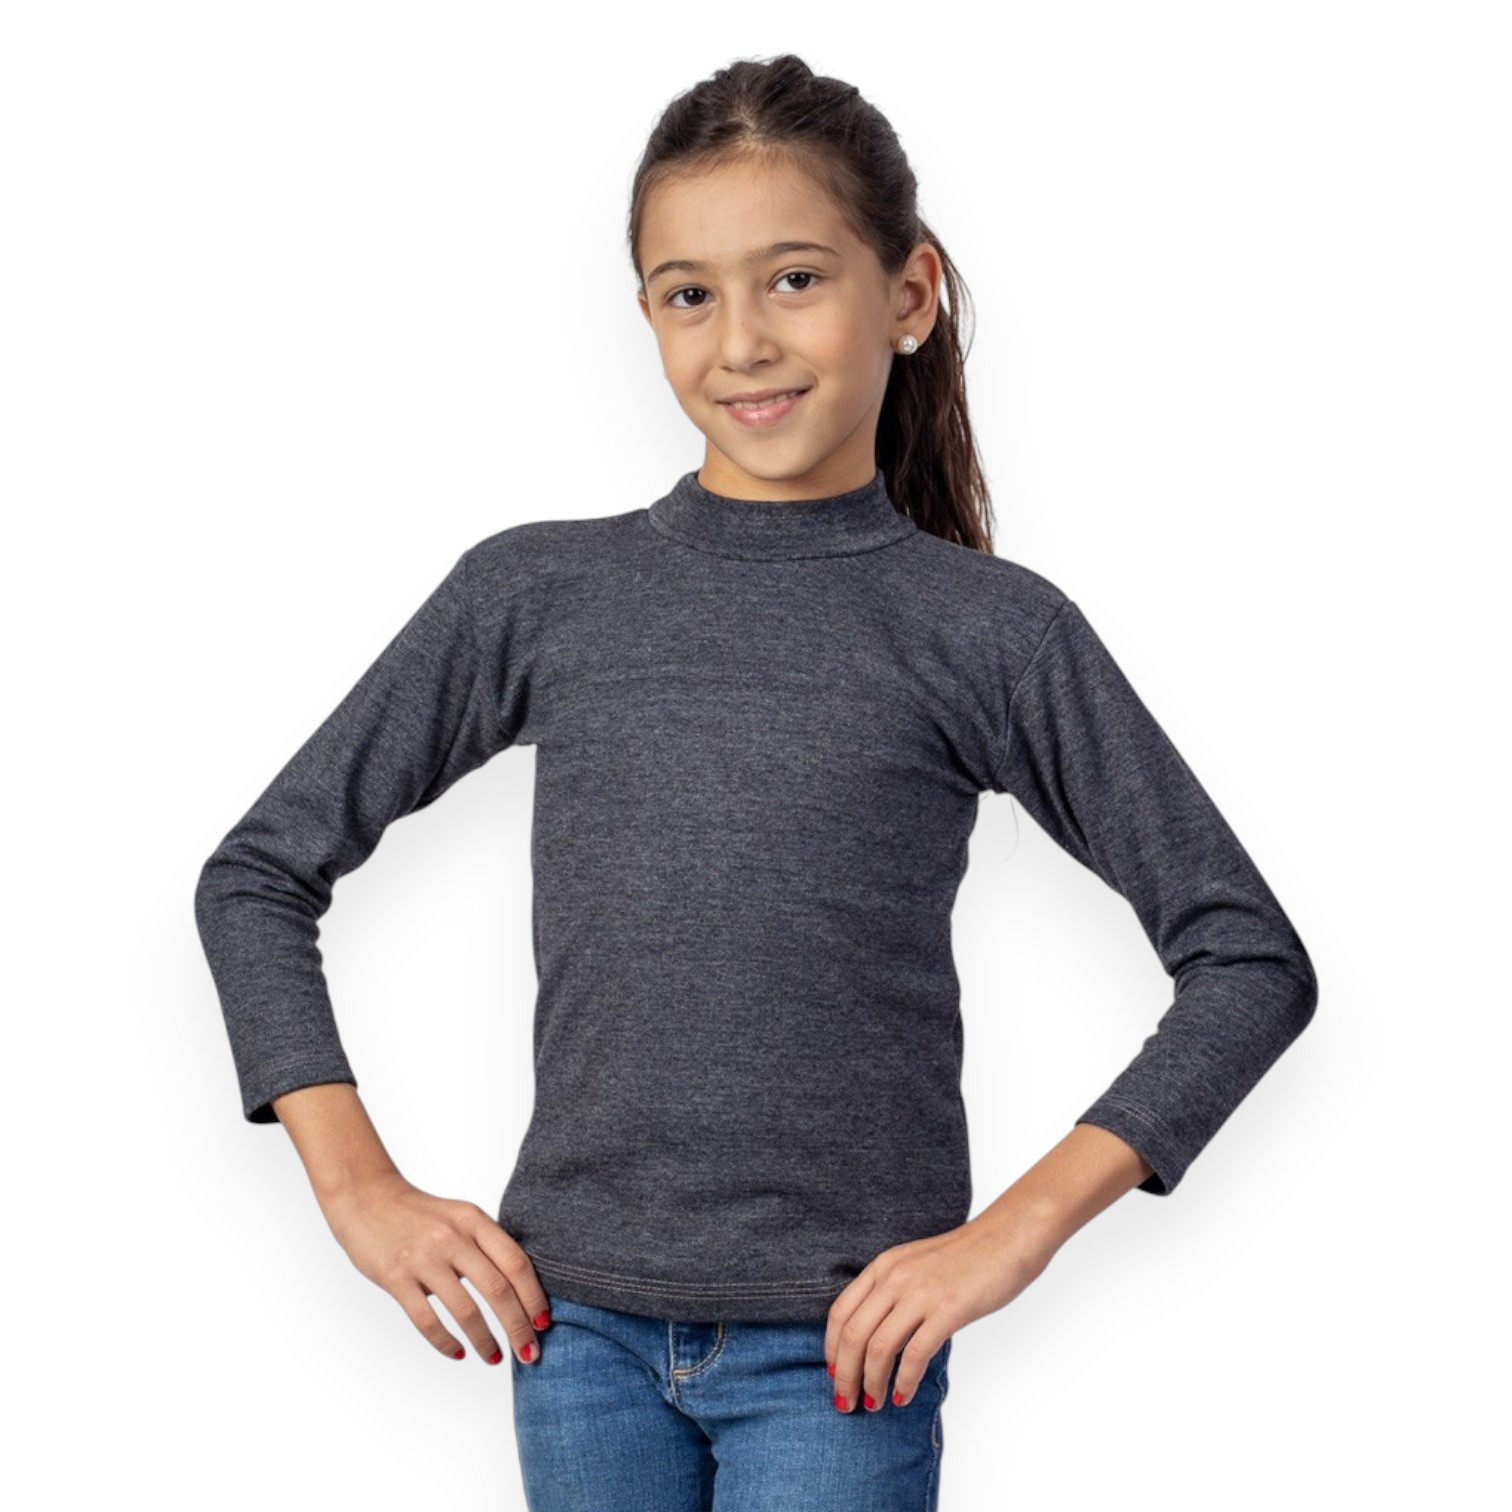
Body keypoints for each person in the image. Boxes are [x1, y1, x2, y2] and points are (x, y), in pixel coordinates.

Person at [195, 52, 1317, 1512]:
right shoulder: (537, 594)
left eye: (794, 279)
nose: (741, 343)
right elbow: (257, 875)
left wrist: (1013, 1234)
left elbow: (1247, 960)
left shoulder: (990, 634)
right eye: (689, 293)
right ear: (646, 314)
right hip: (570, 1333)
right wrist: (357, 1187)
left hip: (840, 1356)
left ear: (908, 294)